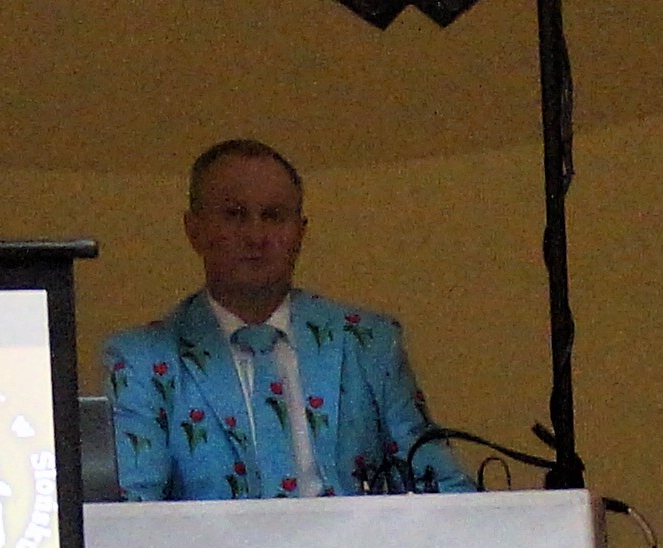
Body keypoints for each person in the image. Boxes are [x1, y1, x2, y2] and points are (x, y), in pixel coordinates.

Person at [103, 139, 461, 504]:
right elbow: (132, 511)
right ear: (194, 229)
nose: (256, 236)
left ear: (300, 233)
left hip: (352, 541)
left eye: (273, 216)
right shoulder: (141, 360)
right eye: (235, 215)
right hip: (211, 543)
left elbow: (443, 489)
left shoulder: (367, 342)